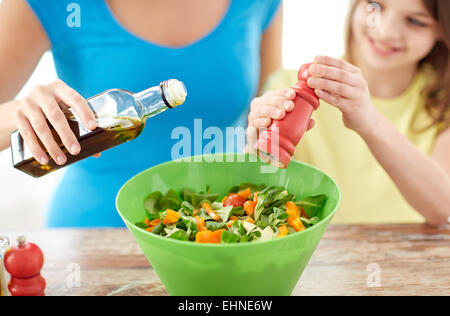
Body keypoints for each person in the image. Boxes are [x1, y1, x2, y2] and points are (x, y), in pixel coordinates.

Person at [0, 0, 283, 227]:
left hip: (222, 231)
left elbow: (263, 130)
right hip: (95, 241)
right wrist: (20, 114)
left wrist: (277, 123)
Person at [247, 0, 450, 226]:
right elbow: (254, 196)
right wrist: (254, 141)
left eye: (415, 21)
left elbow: (443, 208)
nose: (385, 30)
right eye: (375, 6)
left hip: (411, 257)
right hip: (319, 258)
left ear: (442, 27)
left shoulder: (444, 102)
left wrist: (370, 122)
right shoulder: (287, 86)